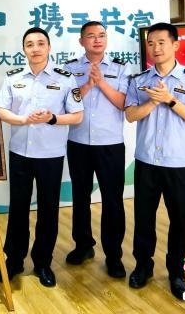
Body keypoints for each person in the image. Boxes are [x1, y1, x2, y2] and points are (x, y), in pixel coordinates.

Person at [124, 22, 185, 300]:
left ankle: (176, 272)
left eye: (161, 42)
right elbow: (130, 116)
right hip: (147, 161)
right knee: (144, 218)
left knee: (180, 220)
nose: (155, 48)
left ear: (175, 45)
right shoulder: (139, 80)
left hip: (179, 163)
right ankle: (143, 266)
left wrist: (170, 100)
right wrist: (152, 102)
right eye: (151, 43)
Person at [0, 27, 84, 288]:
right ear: (24, 49)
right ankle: (14, 260)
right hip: (19, 153)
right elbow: (1, 110)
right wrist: (23, 119)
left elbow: (77, 115)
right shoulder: (13, 77)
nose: (35, 48)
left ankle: (43, 262)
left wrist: (52, 118)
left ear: (49, 47)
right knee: (18, 207)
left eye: (40, 43)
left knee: (48, 209)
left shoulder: (65, 78)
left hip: (50, 155)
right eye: (30, 44)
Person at [63, 21, 129, 278]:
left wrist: (101, 83)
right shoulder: (70, 69)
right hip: (78, 142)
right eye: (91, 36)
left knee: (113, 201)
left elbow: (124, 103)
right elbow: (66, 102)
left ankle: (114, 255)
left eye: (101, 35)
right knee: (80, 197)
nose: (97, 40)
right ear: (82, 41)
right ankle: (83, 246)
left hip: (110, 144)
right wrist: (88, 85)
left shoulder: (121, 68)